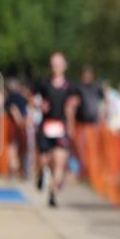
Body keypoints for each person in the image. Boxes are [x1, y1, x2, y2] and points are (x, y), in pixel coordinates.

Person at [34, 52, 76, 207]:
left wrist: (71, 127)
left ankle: (52, 191)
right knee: (44, 160)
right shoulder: (43, 84)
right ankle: (40, 174)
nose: (55, 67)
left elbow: (71, 108)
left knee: (59, 162)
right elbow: (32, 98)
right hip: (46, 127)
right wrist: (39, 105)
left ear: (64, 66)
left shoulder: (70, 86)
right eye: (53, 64)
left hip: (60, 127)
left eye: (58, 64)